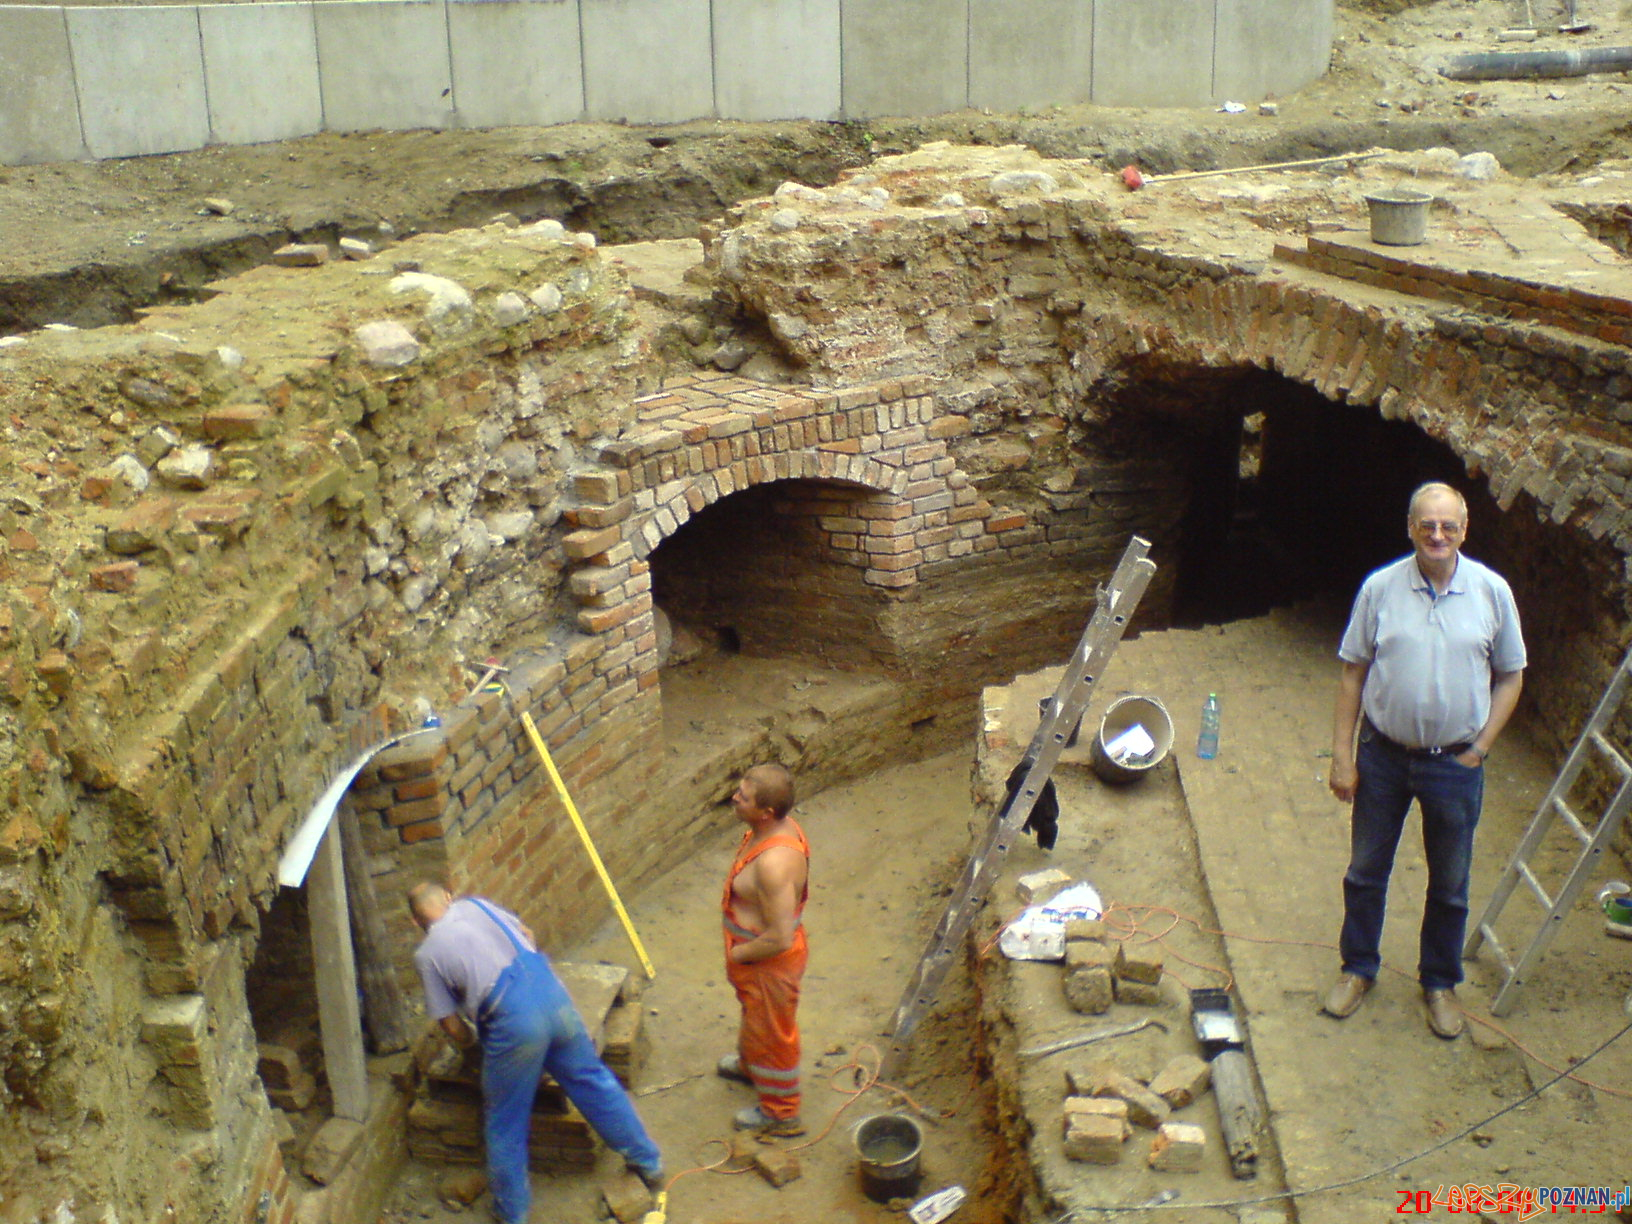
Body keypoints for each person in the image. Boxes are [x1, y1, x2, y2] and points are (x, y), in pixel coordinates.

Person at [1323, 483, 1526, 1039]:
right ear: (1410, 527)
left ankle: (1439, 983)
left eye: (1449, 526)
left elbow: (1512, 676)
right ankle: (1357, 968)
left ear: (1465, 530)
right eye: (1427, 525)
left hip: (1453, 764)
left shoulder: (1491, 591)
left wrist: (1479, 749)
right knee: (1365, 872)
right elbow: (1352, 673)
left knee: (1451, 883)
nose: (1438, 536)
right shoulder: (1381, 588)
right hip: (1384, 757)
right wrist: (1343, 757)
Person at [407, 883, 662, 1224]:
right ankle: (648, 1162)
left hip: (513, 1023)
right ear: (449, 898)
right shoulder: (477, 906)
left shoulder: (427, 955)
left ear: (415, 922)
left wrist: (475, 1049)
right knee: (592, 1080)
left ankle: (511, 1212)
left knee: (505, 1120)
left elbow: (451, 1026)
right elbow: (526, 932)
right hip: (551, 993)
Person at [716, 763, 810, 1136]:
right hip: (756, 961)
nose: (735, 799)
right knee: (756, 1019)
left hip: (767, 962)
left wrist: (738, 955)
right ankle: (750, 1065)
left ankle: (782, 1113)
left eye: (744, 797)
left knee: (774, 1036)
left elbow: (780, 936)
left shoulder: (773, 864)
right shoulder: (768, 832)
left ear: (767, 812)